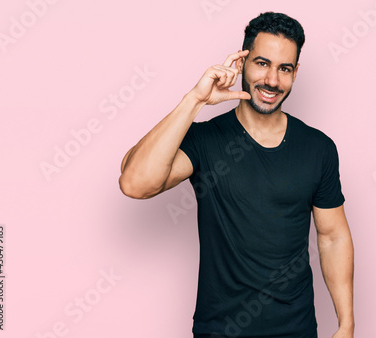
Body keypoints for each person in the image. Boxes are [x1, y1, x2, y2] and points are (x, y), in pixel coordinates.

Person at [119, 12, 354, 338]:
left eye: (284, 68)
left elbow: (332, 236)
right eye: (262, 63)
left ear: (295, 73)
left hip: (297, 330)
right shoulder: (205, 140)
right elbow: (135, 183)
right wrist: (195, 100)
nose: (272, 80)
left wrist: (346, 323)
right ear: (241, 62)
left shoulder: (319, 148)